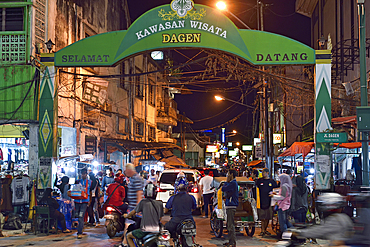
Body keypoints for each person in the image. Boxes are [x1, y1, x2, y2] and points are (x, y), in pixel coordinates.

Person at [123, 183, 163, 247]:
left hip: (145, 230)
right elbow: (160, 218)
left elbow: (133, 212)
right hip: (157, 230)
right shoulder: (160, 203)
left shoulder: (143, 202)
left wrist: (126, 216)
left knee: (128, 236)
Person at [255, 168, 277, 236]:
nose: (263, 174)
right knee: (262, 217)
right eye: (262, 172)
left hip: (269, 202)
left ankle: (265, 229)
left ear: (267, 173)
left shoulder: (272, 181)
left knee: (267, 217)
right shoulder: (259, 181)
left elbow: (276, 189)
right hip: (261, 201)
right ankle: (262, 230)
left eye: (264, 172)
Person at [272, 173, 293, 239]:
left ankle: (286, 238)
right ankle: (295, 233)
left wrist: (274, 196)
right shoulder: (288, 186)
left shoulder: (284, 186)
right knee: (286, 222)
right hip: (287, 206)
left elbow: (282, 197)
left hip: (283, 206)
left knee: (282, 223)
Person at [222, 169, 238, 247]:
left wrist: (226, 181)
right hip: (230, 205)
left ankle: (232, 243)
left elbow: (223, 188)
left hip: (231, 205)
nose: (227, 175)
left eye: (228, 174)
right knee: (229, 224)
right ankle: (231, 241)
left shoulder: (232, 183)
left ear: (231, 174)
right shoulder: (232, 183)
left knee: (230, 225)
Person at [74, 168, 92, 239]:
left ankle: (79, 232)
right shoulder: (77, 181)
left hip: (84, 202)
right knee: (77, 215)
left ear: (86, 174)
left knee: (81, 216)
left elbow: (90, 192)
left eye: (84, 174)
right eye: (82, 174)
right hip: (77, 201)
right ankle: (80, 228)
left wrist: (90, 200)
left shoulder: (90, 182)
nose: (83, 175)